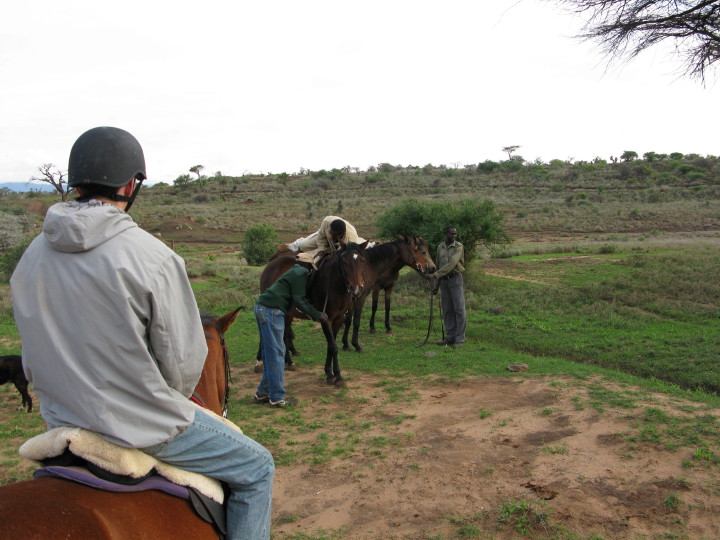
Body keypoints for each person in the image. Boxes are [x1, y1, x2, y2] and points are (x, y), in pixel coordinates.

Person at [10, 126, 274, 539]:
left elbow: (33, 352)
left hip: (62, 421)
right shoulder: (153, 256)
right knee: (258, 467)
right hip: (142, 426)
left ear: (74, 183)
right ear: (131, 184)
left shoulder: (30, 257)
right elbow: (183, 367)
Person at [254, 252, 328, 407]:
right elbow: (299, 299)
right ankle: (277, 397)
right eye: (310, 268)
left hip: (263, 309)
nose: (310, 271)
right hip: (272, 312)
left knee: (271, 353)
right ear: (306, 265)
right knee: (276, 354)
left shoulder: (293, 271)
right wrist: (317, 314)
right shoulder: (301, 272)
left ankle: (263, 392)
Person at [429, 225, 466, 348]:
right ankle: (450, 337)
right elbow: (439, 265)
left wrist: (435, 275)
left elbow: (452, 264)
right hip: (444, 282)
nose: (454, 236)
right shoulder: (440, 247)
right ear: (446, 234)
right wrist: (436, 285)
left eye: (455, 234)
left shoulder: (459, 246)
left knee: (459, 309)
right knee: (447, 310)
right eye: (451, 233)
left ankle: (459, 339)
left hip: (455, 279)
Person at [291, 215, 366, 260]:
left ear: (339, 235)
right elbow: (321, 236)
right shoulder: (327, 222)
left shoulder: (350, 239)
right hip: (325, 237)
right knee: (303, 246)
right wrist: (321, 249)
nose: (330, 236)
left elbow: (344, 255)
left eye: (332, 234)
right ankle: (301, 241)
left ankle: (360, 240)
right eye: (330, 232)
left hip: (342, 242)